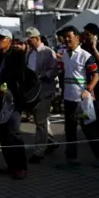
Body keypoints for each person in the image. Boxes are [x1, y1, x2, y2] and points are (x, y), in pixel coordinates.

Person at [56, 26, 99, 169]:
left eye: (69, 37)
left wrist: (89, 87)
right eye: (65, 37)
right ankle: (72, 159)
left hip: (82, 100)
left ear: (77, 38)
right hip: (68, 99)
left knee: (88, 129)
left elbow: (96, 75)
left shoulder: (86, 56)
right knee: (70, 130)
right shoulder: (65, 54)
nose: (66, 40)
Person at [0, 29, 28, 179]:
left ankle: (21, 167)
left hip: (14, 100)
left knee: (13, 133)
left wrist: (3, 86)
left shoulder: (17, 56)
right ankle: (10, 165)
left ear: (9, 40)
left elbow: (17, 76)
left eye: (0, 38)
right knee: (3, 134)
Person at [25, 27, 59, 164]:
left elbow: (54, 70)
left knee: (40, 121)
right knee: (40, 120)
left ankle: (39, 151)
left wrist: (42, 75)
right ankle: (50, 141)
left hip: (44, 91)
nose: (28, 43)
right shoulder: (29, 53)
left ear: (37, 38)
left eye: (30, 40)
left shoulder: (48, 52)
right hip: (32, 91)